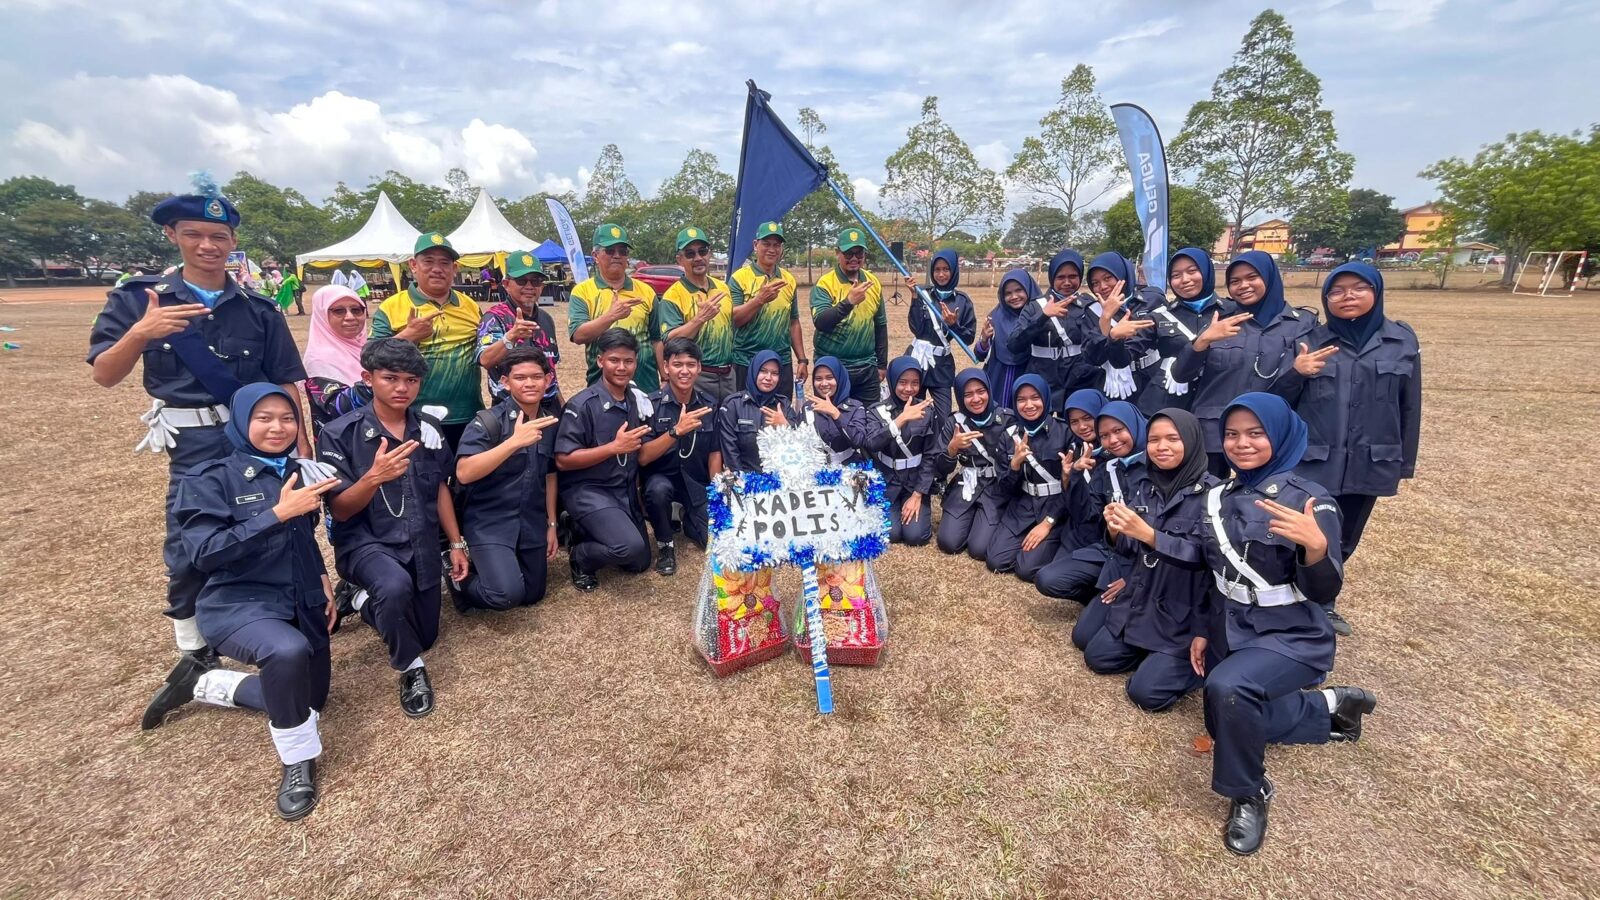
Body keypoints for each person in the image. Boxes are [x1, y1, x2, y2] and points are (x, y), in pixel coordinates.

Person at [87, 182, 313, 731]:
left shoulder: (257, 308)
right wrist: (141, 333)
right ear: (173, 235)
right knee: (191, 544)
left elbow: (286, 378)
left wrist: (302, 440)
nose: (208, 246)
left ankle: (280, 615)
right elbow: (105, 374)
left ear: (233, 241)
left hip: (256, 437)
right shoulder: (140, 299)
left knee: (283, 523)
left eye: (219, 236)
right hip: (192, 443)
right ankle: (195, 651)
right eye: (194, 234)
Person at [1176, 392, 1376, 856]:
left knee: (1229, 690)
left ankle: (1250, 792)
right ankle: (1331, 707)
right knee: (1227, 720)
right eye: (1231, 434)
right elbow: (1214, 576)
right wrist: (1204, 628)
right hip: (1230, 626)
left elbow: (1324, 591)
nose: (1241, 443)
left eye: (1255, 433)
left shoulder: (1310, 501)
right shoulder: (1217, 498)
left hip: (1290, 632)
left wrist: (1316, 549)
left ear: (1281, 436)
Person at [172, 384, 337, 819]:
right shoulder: (210, 478)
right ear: (242, 421)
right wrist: (277, 514)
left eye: (287, 418)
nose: (277, 427)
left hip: (299, 596)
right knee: (287, 651)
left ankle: (207, 683)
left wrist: (322, 580)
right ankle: (298, 761)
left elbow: (303, 539)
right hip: (239, 602)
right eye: (264, 418)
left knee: (311, 700)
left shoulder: (298, 472)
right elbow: (204, 553)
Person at [318, 338, 465, 718]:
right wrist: (373, 477)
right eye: (391, 378)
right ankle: (411, 669)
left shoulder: (428, 429)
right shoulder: (339, 433)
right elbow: (341, 510)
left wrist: (456, 543)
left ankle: (359, 599)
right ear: (368, 378)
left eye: (412, 380)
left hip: (419, 542)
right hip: (366, 542)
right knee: (395, 590)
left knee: (425, 635)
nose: (402, 388)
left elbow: (440, 487)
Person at [1292, 262, 1421, 635]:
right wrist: (1296, 371)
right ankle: (1294, 599)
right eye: (1337, 290)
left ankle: (1324, 604)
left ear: (1376, 293)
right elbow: (1283, 400)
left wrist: (1403, 463)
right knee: (1307, 532)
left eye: (1358, 288)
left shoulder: (1401, 341)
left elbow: (1410, 407)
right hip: (1315, 459)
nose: (1347, 297)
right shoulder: (1310, 340)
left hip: (1370, 459)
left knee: (1345, 537)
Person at [1082, 408, 1216, 712]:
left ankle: (1195, 660)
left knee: (1145, 693)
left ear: (1192, 440)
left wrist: (1151, 536)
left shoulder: (1213, 495)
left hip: (1185, 609)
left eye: (1172, 439)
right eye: (1154, 439)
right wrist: (1115, 530)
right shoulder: (1146, 485)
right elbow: (1129, 549)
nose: (1161, 447)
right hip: (1145, 596)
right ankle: (1154, 654)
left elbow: (1206, 560)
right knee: (1097, 656)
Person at [1170, 250, 1321, 476]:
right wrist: (1203, 341)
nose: (1243, 286)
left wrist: (1297, 372)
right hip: (1212, 433)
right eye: (1235, 281)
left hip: (1268, 432)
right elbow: (1181, 374)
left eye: (1252, 277)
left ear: (1269, 277)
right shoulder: (1221, 319)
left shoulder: (1302, 324)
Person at [453, 346, 561, 611]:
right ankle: (461, 584)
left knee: (533, 594)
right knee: (506, 595)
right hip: (490, 521)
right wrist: (513, 443)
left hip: (530, 521)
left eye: (536, 377)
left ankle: (499, 566)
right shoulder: (488, 422)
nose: (529, 383)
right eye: (520, 378)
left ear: (548, 380)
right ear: (505, 382)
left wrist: (551, 524)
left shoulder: (550, 423)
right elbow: (464, 472)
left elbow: (549, 475)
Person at [555, 328, 655, 591]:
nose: (622, 367)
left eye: (628, 361)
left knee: (639, 562)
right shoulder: (582, 405)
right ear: (600, 361)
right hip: (590, 490)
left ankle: (586, 529)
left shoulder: (635, 400)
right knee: (628, 547)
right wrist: (613, 448)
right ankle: (580, 555)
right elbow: (563, 460)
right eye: (614, 360)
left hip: (622, 491)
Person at [369, 232, 484, 448]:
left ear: (455, 268)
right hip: (411, 417)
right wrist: (408, 336)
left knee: (466, 469)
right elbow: (369, 356)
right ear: (413, 265)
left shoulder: (470, 306)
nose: (437, 269)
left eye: (444, 263)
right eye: (428, 261)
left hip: (467, 415)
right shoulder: (392, 306)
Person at [1041, 401, 1148, 610]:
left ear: (1134, 425)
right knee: (1047, 578)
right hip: (1113, 550)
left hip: (1147, 560)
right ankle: (1099, 597)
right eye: (1105, 435)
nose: (1112, 440)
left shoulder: (1157, 467)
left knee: (1089, 631)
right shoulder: (1107, 469)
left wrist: (1134, 576)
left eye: (1118, 430)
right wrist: (1074, 476)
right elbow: (1087, 515)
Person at [639, 337, 720, 577]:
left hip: (696, 483)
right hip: (661, 480)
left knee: (713, 542)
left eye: (691, 364)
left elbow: (715, 451)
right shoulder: (650, 405)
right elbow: (643, 457)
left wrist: (717, 492)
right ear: (666, 367)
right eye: (677, 364)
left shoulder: (708, 404)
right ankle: (665, 544)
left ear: (699, 367)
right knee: (658, 490)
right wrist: (676, 431)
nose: (685, 371)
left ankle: (689, 520)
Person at [986, 374, 1070, 580]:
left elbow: (1073, 489)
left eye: (1035, 397)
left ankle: (1054, 543)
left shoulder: (1065, 432)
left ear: (1046, 398)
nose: (1029, 405)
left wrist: (1048, 523)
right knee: (996, 561)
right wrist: (1014, 465)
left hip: (1056, 507)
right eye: (1021, 399)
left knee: (1025, 569)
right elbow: (1004, 490)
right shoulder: (1009, 435)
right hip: (1023, 505)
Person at [934, 368, 1016, 561]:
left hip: (996, 485)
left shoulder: (1007, 419)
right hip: (967, 483)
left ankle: (990, 519)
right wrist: (952, 449)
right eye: (968, 394)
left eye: (981, 391)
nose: (976, 399)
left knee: (978, 549)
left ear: (989, 390)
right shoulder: (955, 422)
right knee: (948, 543)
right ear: (960, 396)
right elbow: (940, 468)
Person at [1135, 248, 1228, 416]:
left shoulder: (1232, 312)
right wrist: (1113, 336)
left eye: (1192, 271)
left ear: (1206, 271)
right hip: (1167, 403)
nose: (1185, 280)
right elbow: (1124, 356)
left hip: (1215, 404)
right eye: (1176, 275)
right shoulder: (1160, 316)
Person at [569, 223, 660, 392]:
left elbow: (656, 339)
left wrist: (666, 377)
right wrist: (611, 316)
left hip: (646, 386)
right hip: (602, 390)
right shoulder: (582, 292)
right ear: (595, 255)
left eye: (622, 251)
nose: (617, 256)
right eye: (610, 251)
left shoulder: (646, 291)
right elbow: (578, 335)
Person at [1009, 249, 1108, 398]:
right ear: (1052, 277)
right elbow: (1013, 345)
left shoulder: (1089, 304)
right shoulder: (1035, 306)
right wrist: (1042, 316)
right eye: (1061, 277)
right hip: (1044, 380)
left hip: (1082, 380)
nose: (1067, 282)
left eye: (1072, 276)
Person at [862, 356, 937, 545]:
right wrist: (900, 420)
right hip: (889, 480)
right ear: (892, 380)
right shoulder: (877, 411)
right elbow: (871, 443)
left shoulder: (927, 411)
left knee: (916, 536)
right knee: (891, 534)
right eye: (902, 382)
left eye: (915, 383)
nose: (909, 388)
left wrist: (918, 494)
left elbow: (931, 455)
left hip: (915, 481)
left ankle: (917, 505)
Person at [729, 220, 808, 398]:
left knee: (780, 411)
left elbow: (793, 322)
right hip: (746, 361)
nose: (772, 249)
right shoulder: (739, 278)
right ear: (755, 245)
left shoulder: (788, 280)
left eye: (776, 245)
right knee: (745, 411)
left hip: (781, 362)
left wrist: (802, 359)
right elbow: (734, 320)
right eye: (766, 244)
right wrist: (759, 300)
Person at [658, 227, 737, 401]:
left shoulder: (723, 288)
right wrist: (700, 319)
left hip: (728, 375)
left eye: (702, 251)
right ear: (680, 259)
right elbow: (669, 340)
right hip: (696, 377)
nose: (698, 258)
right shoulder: (673, 296)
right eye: (690, 254)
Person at [811, 228, 888, 405]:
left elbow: (880, 325)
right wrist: (848, 302)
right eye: (848, 253)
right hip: (832, 368)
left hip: (867, 367)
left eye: (858, 253)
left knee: (870, 417)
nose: (854, 258)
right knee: (830, 416)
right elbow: (821, 322)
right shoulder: (825, 284)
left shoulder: (873, 282)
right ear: (837, 253)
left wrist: (882, 364)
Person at [476, 250, 562, 408]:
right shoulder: (494, 318)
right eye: (522, 281)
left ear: (542, 287)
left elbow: (551, 371)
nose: (529, 286)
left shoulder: (546, 319)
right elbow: (485, 360)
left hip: (548, 407)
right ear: (506, 284)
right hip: (510, 409)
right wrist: (510, 337)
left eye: (535, 281)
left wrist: (562, 409)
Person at [905, 249, 977, 420]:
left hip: (942, 365)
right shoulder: (923, 294)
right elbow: (916, 329)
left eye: (946, 269)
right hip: (918, 359)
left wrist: (954, 325)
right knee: (913, 412)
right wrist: (914, 297)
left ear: (954, 271)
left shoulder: (962, 301)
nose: (941, 274)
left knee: (943, 415)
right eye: (937, 269)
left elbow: (969, 338)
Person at [1085, 251, 1161, 402]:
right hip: (1112, 386)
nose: (1102, 286)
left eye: (1108, 278)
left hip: (1151, 380)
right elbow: (1093, 358)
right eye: (1095, 283)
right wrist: (1105, 318)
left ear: (1122, 274)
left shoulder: (1152, 300)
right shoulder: (1092, 311)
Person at [301, 285, 371, 435]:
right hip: (343, 443)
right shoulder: (319, 358)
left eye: (356, 310)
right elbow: (336, 406)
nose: (350, 317)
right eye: (339, 311)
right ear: (322, 315)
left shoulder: (365, 349)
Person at [718, 349, 801, 474]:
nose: (768, 378)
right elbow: (730, 452)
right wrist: (742, 481)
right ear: (754, 371)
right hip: (745, 480)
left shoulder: (784, 405)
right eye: (763, 371)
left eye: (775, 373)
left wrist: (785, 426)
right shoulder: (733, 405)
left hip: (781, 479)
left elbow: (800, 448)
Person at [974, 269, 1035, 408]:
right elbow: (980, 356)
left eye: (1019, 290)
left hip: (1027, 374)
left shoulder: (1039, 315)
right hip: (998, 377)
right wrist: (984, 340)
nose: (1014, 296)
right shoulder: (995, 316)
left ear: (1028, 289)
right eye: (1008, 293)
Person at [801, 356, 869, 466]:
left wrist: (836, 414)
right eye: (818, 379)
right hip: (816, 469)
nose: (824, 383)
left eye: (829, 378)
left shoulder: (855, 407)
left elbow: (858, 441)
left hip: (849, 468)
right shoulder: (808, 408)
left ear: (839, 379)